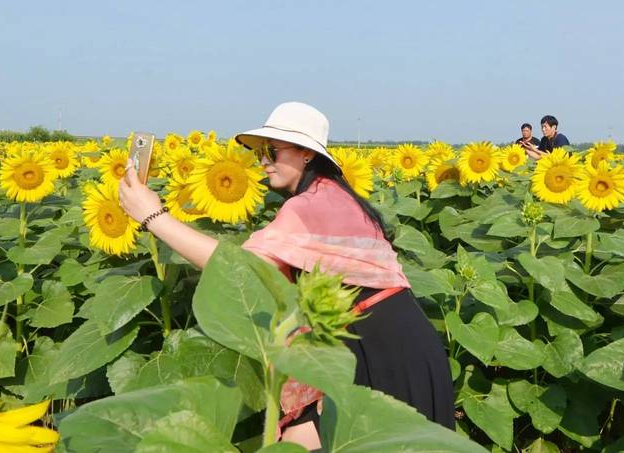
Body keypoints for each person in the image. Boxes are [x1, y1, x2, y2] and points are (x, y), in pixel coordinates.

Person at [118, 102, 455, 450]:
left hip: (383, 349)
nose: (263, 160)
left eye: (272, 151)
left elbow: (241, 268)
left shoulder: (313, 205)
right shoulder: (331, 196)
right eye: (260, 152)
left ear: (306, 154)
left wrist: (153, 216)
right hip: (386, 339)